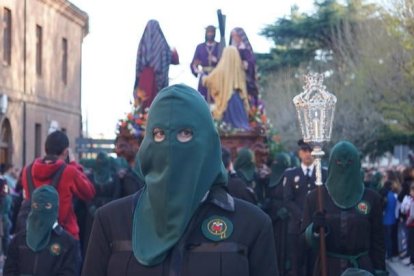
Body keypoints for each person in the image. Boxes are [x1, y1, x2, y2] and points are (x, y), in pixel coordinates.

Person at [82, 84, 278, 276]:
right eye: (159, 134)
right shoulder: (111, 221)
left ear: (208, 141)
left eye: (185, 133)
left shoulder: (251, 225)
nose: (169, 146)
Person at [301, 141, 386, 275]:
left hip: (362, 269)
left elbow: (378, 242)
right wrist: (314, 230)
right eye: (339, 163)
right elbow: (303, 241)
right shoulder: (315, 197)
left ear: (357, 164)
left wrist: (380, 271)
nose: (344, 166)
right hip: (329, 269)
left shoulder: (372, 198)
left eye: (350, 162)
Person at [18, 130, 96, 240]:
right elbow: (89, 192)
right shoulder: (69, 171)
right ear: (65, 152)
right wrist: (74, 165)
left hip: (35, 235)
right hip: (65, 235)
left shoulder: (27, 171)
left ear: (46, 149)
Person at [4, 185, 78, 275]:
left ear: (55, 207)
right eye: (36, 205)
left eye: (47, 205)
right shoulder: (19, 241)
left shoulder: (69, 244)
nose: (41, 209)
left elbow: (69, 273)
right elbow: (9, 271)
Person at [283, 139, 327, 276]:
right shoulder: (290, 174)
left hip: (316, 227)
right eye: (305, 151)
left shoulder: (323, 174)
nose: (308, 154)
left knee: (315, 263)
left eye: (310, 151)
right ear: (299, 153)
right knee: (296, 263)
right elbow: (288, 200)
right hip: (296, 227)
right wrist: (303, 217)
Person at [133, 19, 179, 109]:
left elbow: (138, 64)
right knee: (156, 104)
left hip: (144, 78)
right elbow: (173, 59)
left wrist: (138, 79)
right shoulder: (163, 44)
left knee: (143, 105)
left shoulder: (142, 44)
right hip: (159, 79)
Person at [203, 46, 250, 130]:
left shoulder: (221, 69)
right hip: (238, 101)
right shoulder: (240, 70)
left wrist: (203, 77)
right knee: (240, 127)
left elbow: (209, 80)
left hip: (226, 101)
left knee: (228, 128)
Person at [265, 152, 292, 276]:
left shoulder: (290, 178)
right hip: (273, 221)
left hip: (287, 222)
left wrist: (287, 209)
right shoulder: (267, 178)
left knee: (286, 250)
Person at [229, 27, 259, 107]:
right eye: (233, 36)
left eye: (236, 36)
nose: (235, 38)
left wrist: (245, 64)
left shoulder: (246, 50)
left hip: (245, 80)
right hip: (234, 81)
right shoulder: (231, 51)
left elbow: (251, 63)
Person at [190, 25, 220, 101]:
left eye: (212, 32)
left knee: (216, 99)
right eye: (208, 32)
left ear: (214, 33)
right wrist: (197, 70)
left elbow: (225, 62)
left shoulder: (219, 46)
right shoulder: (200, 47)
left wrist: (216, 60)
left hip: (216, 76)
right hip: (204, 77)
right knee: (202, 99)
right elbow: (194, 64)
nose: (210, 34)